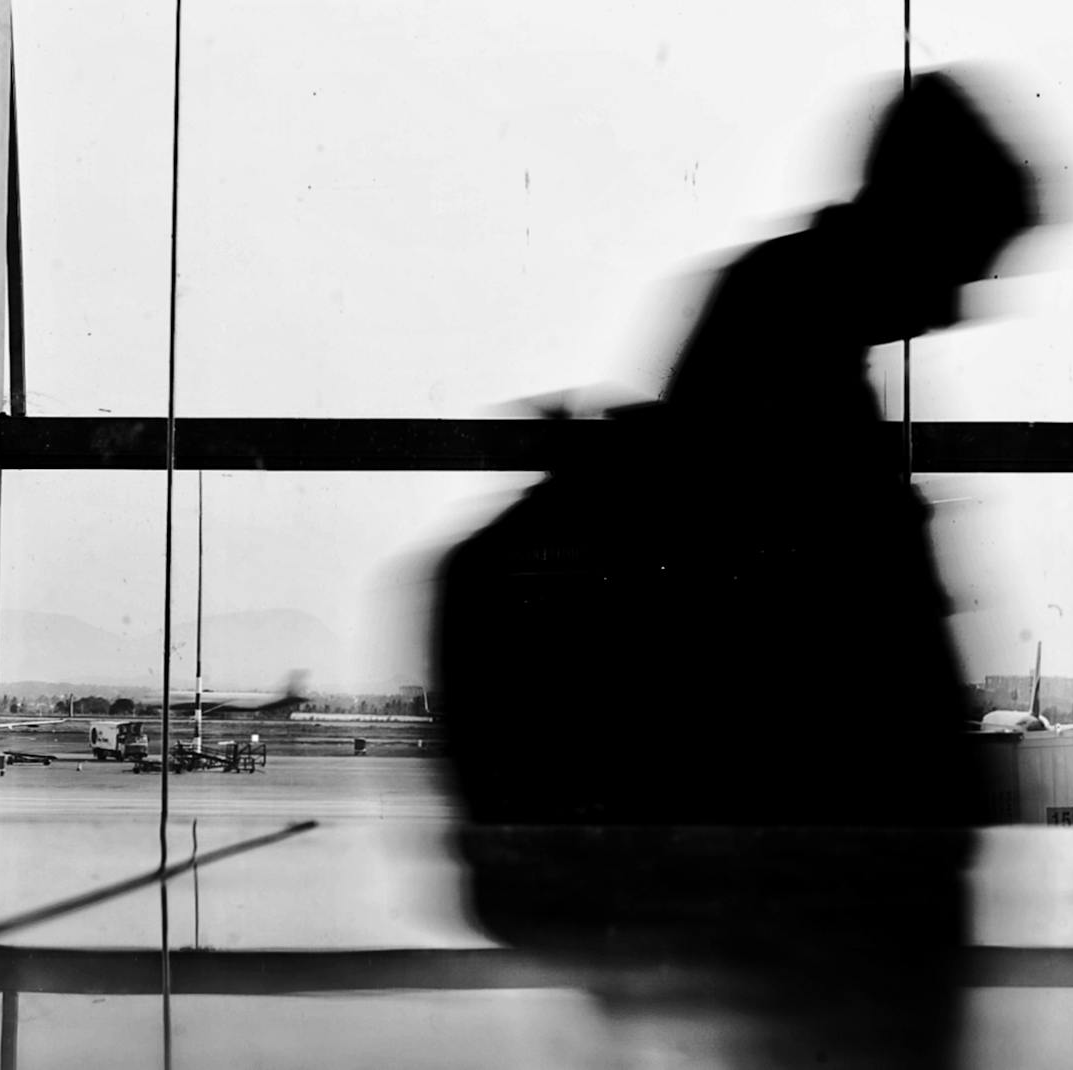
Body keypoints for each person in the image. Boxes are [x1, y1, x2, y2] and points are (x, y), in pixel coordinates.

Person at [436, 69, 1037, 1068]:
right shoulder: (799, 339)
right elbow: (859, 645)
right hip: (785, 882)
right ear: (926, 216)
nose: (962, 304)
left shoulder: (786, 309)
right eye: (968, 261)